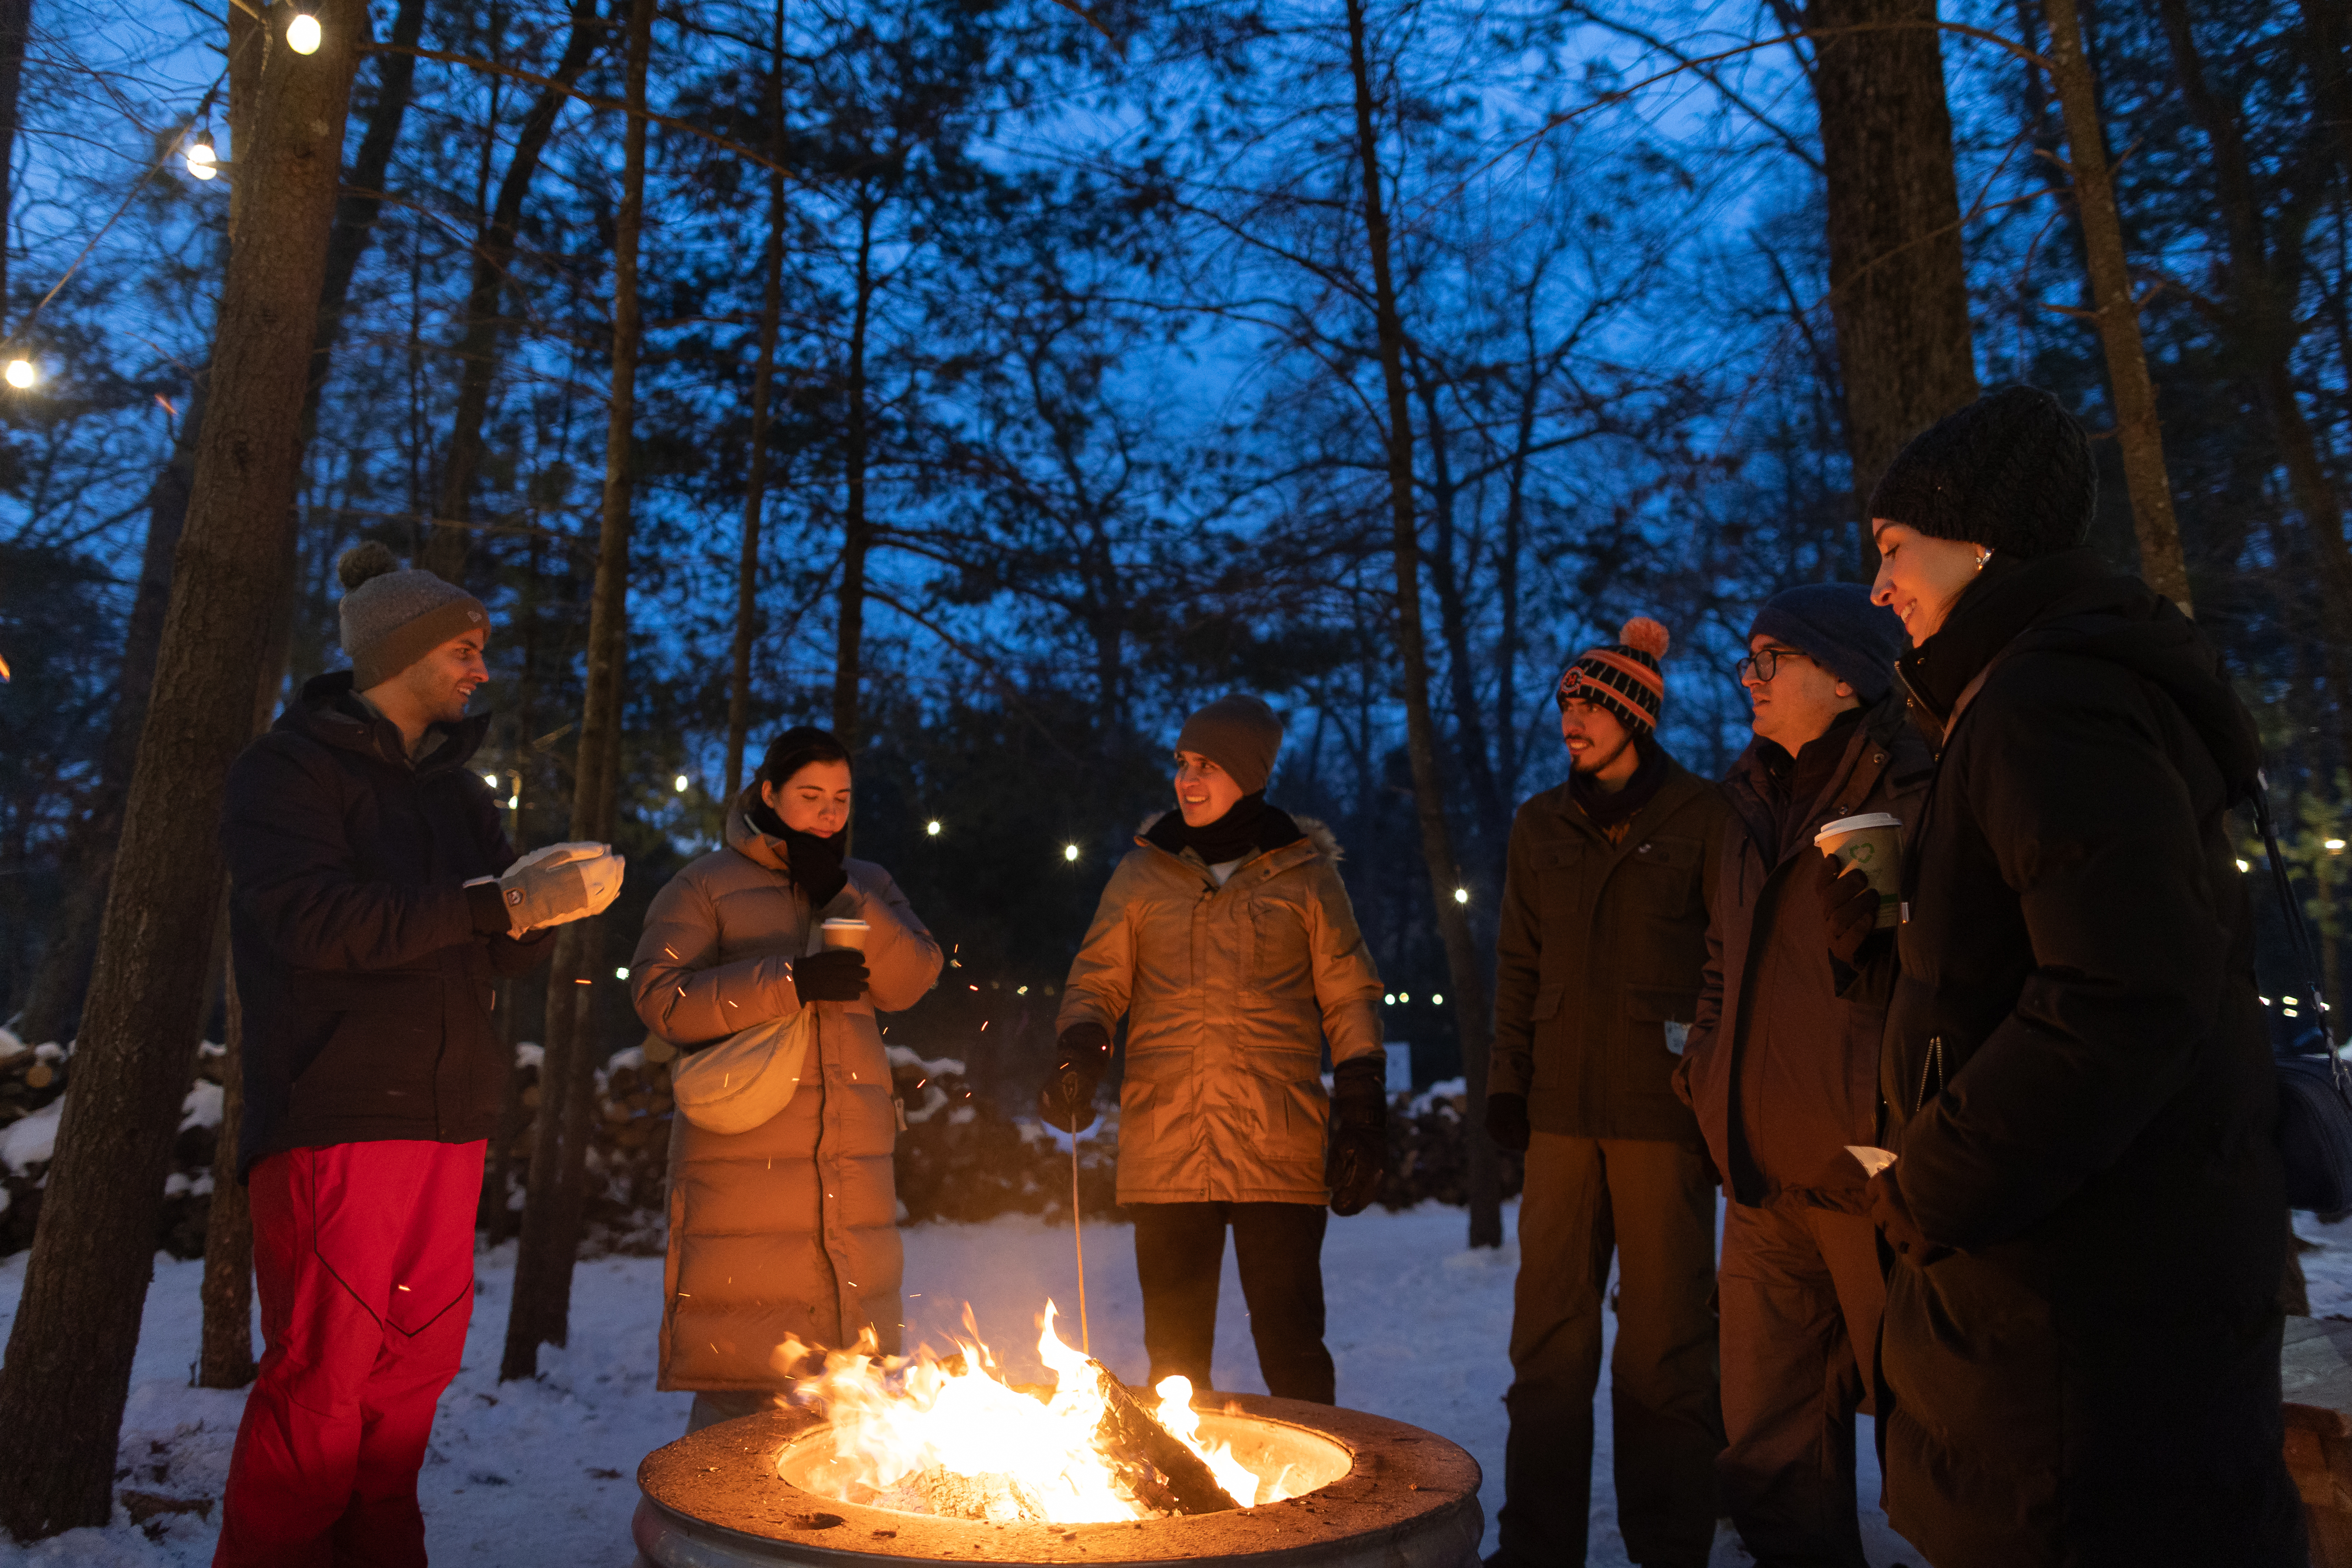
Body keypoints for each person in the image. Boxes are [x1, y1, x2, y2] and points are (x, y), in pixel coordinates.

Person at [1865, 386, 2302, 1564]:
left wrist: (1936, 1177)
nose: (1879, 586)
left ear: (1978, 542)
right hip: (2091, 1294)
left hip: (2077, 1326)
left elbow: (2123, 990)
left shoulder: (2042, 700)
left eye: (1893, 549)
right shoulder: (2028, 697)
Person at [214, 542, 618, 1567]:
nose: (482, 672)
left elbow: (498, 950)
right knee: (325, 1384)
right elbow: (309, 920)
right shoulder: (288, 771)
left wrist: (543, 904)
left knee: (407, 1387)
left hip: (450, 1115)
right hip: (338, 1111)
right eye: (467, 651)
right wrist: (496, 903)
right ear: (402, 652)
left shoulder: (456, 793)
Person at [1671, 584, 1928, 1566]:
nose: (1748, 679)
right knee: (1769, 1453)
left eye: (1769, 659)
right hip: (1762, 1179)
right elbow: (1715, 966)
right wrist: (1705, 1079)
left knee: (1928, 1436)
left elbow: (1955, 975)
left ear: (1842, 675)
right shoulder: (1739, 802)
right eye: (1747, 659)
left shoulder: (1914, 789)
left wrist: (1884, 939)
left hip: (1873, 1173)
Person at [1041, 694, 1385, 1406]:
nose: (1186, 780)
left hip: (1277, 1148)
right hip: (1167, 1144)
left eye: (1206, 766)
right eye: (1182, 764)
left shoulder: (1307, 879)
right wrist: (1080, 1050)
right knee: (1172, 1364)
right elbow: (1098, 981)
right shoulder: (1142, 877)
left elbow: (1350, 995)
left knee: (1292, 1349)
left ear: (1250, 775)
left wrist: (1362, 1108)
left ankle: (1323, 1507)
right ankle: (1182, 1504)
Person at [1485, 617, 1729, 1568]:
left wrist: (1712, 1099)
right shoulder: (1538, 823)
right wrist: (1510, 1082)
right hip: (1558, 1121)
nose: (1570, 721)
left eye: (1588, 705)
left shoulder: (1705, 819)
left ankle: (1670, 1543)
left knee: (1665, 1349)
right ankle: (1537, 1545)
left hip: (1661, 1116)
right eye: (1565, 705)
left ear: (1634, 713)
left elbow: (1727, 967)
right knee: (1546, 1347)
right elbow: (1516, 961)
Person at [631, 725, 943, 1433]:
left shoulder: (866, 882)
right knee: (745, 1377)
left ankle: (826, 1537)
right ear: (768, 792)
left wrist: (846, 896)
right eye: (810, 796)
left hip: (851, 1172)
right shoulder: (706, 883)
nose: (829, 814)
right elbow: (660, 998)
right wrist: (791, 980)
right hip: (747, 1158)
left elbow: (915, 977)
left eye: (840, 798)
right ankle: (701, 1530)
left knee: (849, 1387)